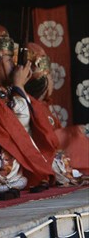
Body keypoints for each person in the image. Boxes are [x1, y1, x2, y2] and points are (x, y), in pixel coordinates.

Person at [0, 23, 54, 195]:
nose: (14, 66)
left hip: (9, 159)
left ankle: (8, 182)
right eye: (8, 60)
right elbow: (17, 123)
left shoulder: (5, 92)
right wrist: (18, 86)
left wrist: (18, 88)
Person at [24, 42, 86, 184]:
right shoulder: (33, 104)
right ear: (44, 80)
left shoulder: (42, 106)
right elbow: (48, 141)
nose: (52, 80)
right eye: (50, 77)